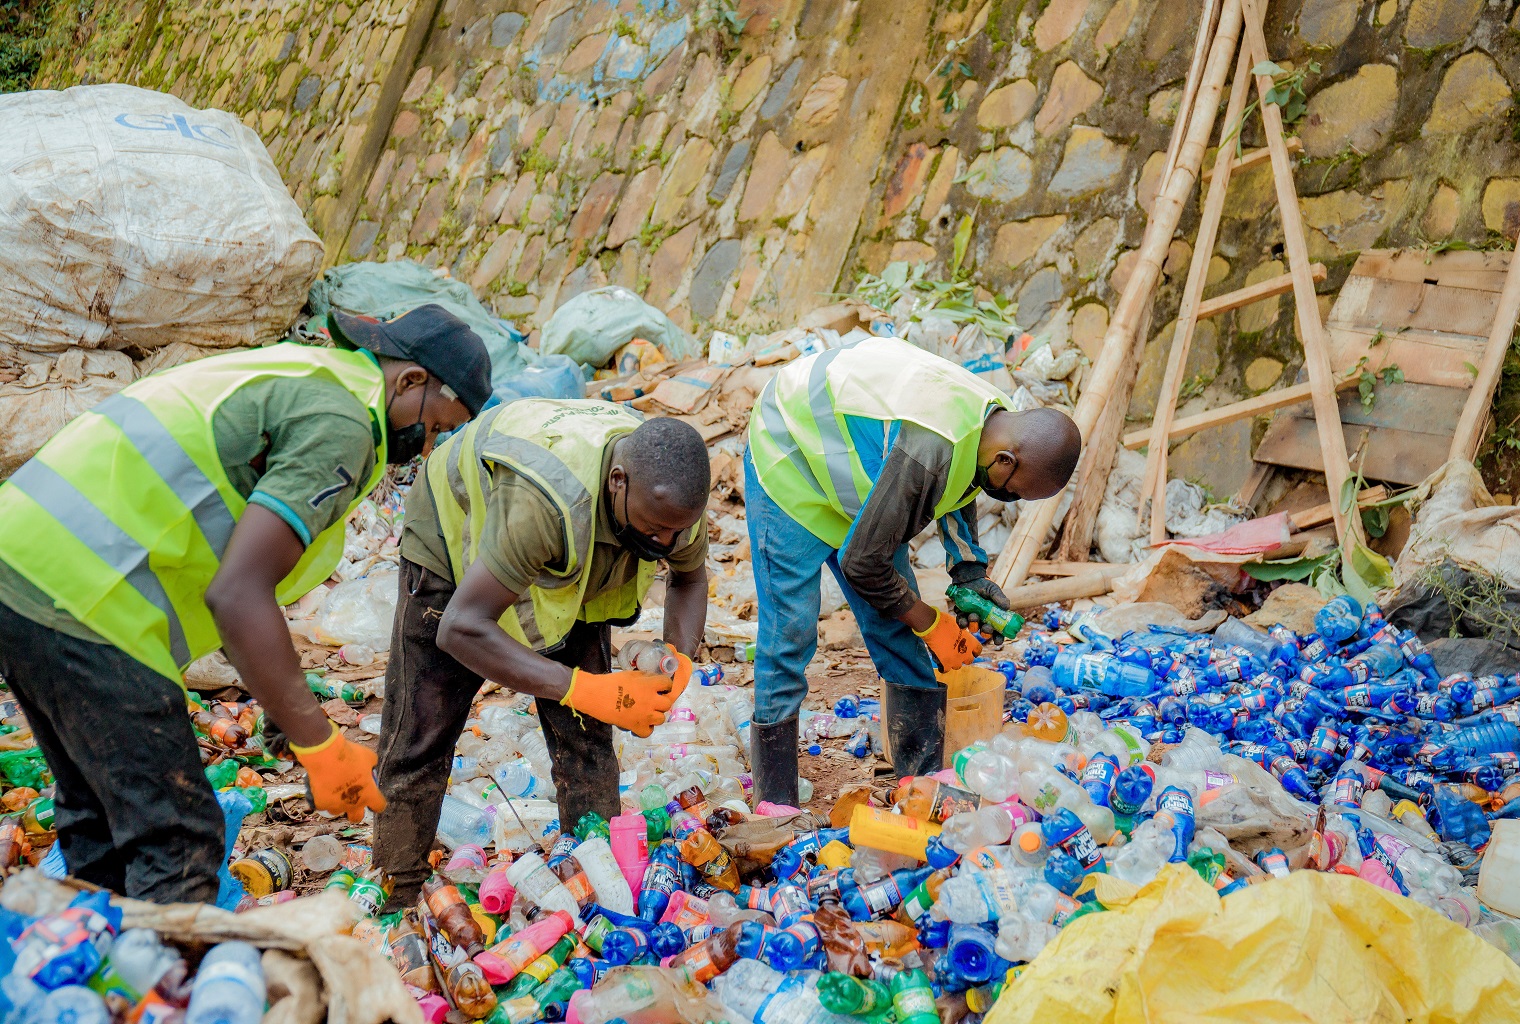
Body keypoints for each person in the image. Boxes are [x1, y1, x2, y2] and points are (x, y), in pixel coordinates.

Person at [0, 304, 491, 903]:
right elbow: (238, 594)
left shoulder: (310, 376)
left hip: (25, 569)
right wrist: (319, 742)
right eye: (439, 423)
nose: (428, 443)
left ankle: (88, 975)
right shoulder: (342, 420)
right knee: (177, 839)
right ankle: (163, 990)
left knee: (100, 812)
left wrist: (288, 713)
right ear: (411, 380)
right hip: (89, 597)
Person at [373, 399, 711, 909]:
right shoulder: (549, 504)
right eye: (655, 529)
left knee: (587, 737)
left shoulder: (671, 503)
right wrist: (582, 687)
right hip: (456, 536)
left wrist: (678, 661)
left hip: (565, 554)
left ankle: (595, 884)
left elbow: (690, 576)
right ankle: (396, 894)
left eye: (676, 532)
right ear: (617, 481)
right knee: (423, 731)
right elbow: (461, 629)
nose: (665, 541)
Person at [744, 335, 1081, 806]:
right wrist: (932, 623)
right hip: (790, 462)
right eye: (1016, 490)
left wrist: (968, 572)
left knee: (896, 626)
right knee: (790, 634)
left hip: (858, 479)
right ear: (1006, 460)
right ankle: (775, 804)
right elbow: (863, 565)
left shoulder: (995, 422)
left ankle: (922, 787)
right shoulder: (929, 446)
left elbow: (960, 486)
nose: (1008, 499)